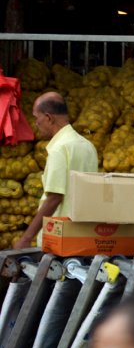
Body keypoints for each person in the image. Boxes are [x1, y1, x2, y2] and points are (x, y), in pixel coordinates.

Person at [14, 91, 97, 249]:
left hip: (59, 241)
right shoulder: (87, 146)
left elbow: (54, 198)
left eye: (36, 117)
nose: (35, 123)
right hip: (84, 238)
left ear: (48, 118)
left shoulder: (59, 149)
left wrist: (26, 238)